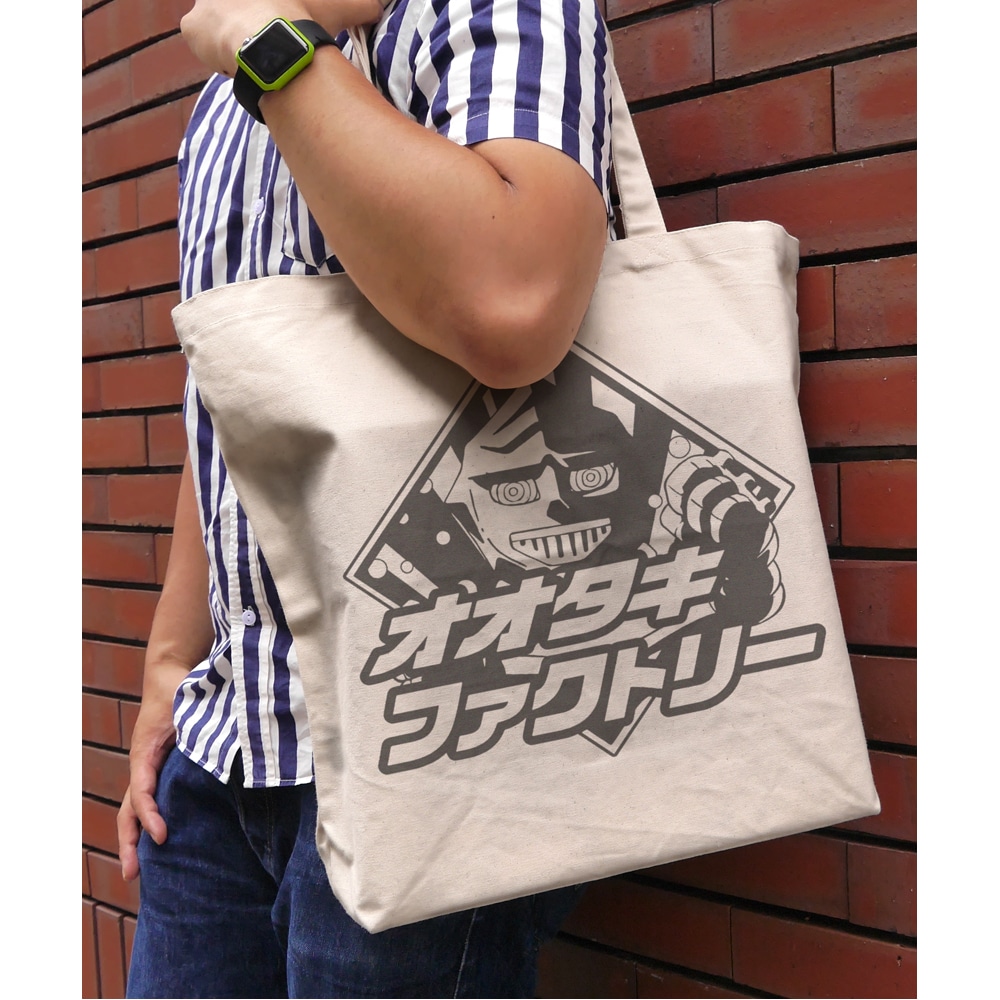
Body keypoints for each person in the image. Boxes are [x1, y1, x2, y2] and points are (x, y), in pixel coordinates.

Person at [117, 0, 613, 995]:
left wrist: (272, 47)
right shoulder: (217, 107)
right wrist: (169, 664)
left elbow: (515, 298)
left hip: (426, 745)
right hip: (221, 752)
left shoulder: (453, 15)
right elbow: (232, 398)